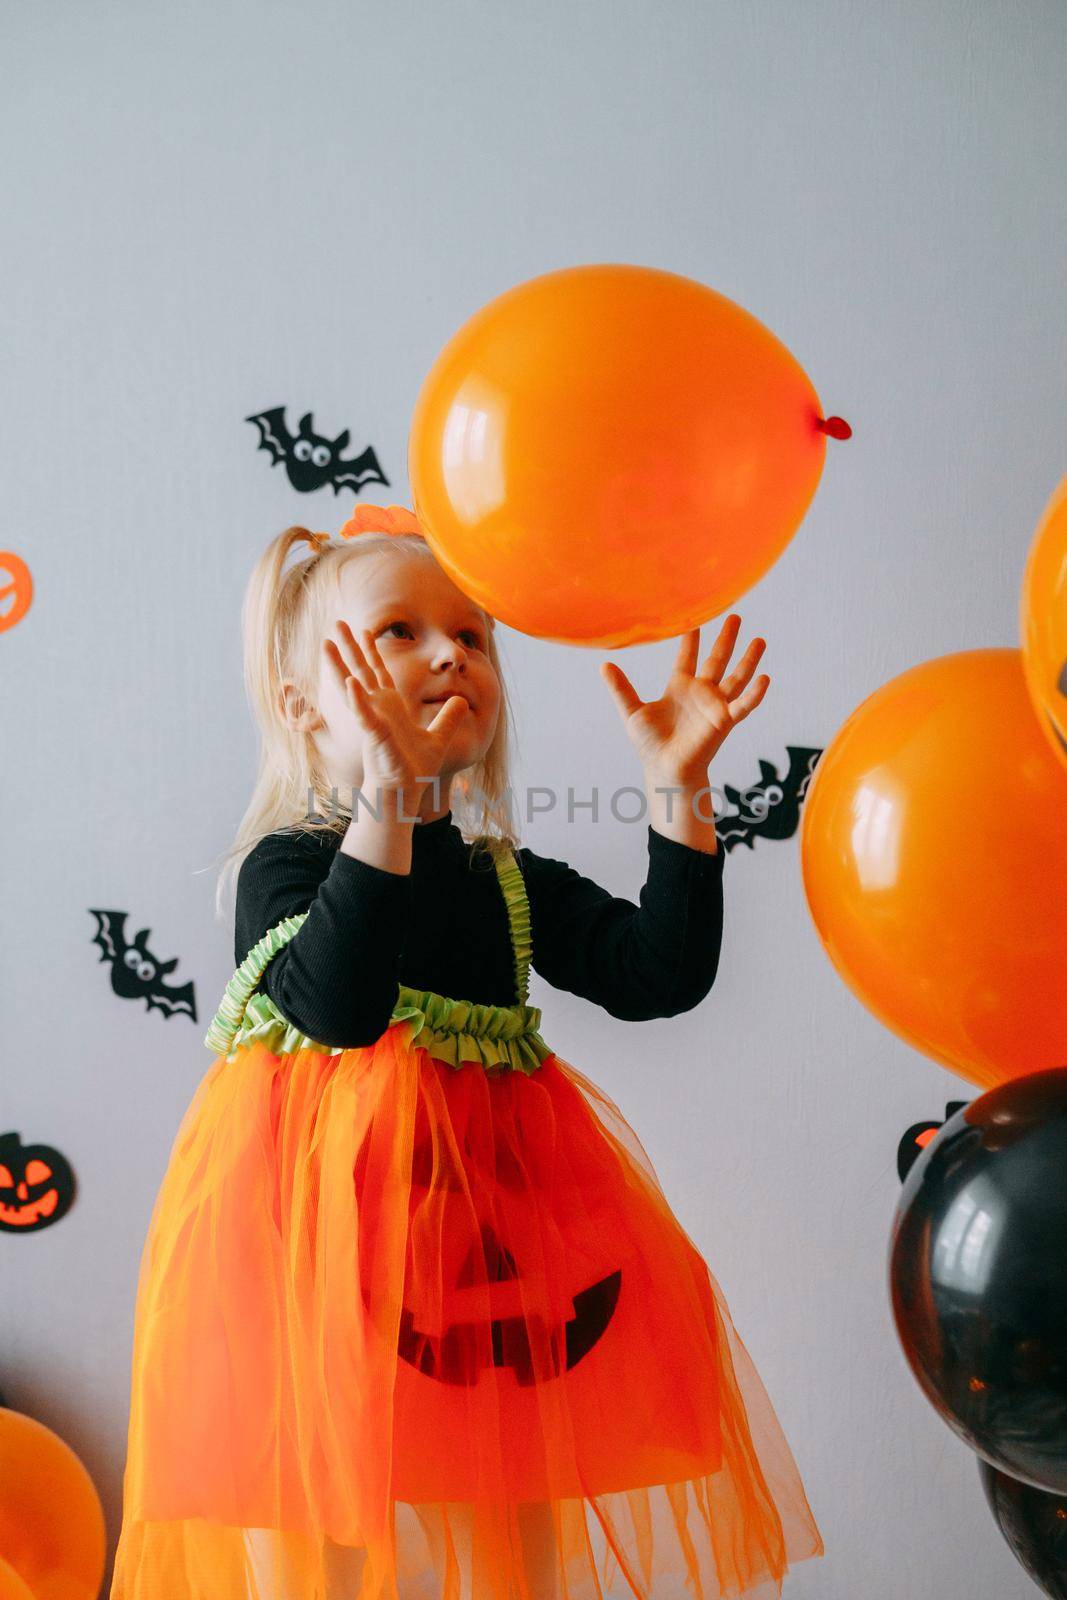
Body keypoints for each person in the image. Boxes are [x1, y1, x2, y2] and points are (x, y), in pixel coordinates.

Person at [109, 503, 823, 1599]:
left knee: (510, 1525)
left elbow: (657, 974)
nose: (450, 650)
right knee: (331, 1539)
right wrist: (386, 805)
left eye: (473, 635)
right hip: (324, 1265)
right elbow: (338, 1009)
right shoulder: (284, 866)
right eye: (401, 631)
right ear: (305, 708)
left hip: (489, 1258)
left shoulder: (500, 877)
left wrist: (677, 789)